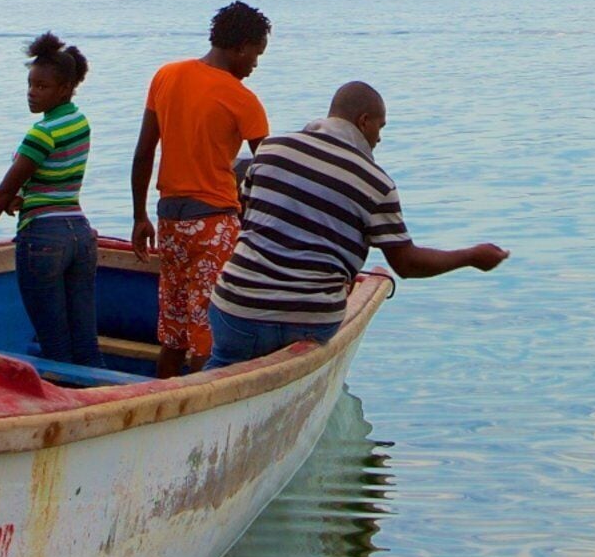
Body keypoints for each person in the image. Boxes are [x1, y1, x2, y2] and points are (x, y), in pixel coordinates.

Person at [210, 81, 507, 367]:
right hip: (308, 320)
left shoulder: (271, 149)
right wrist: (470, 257)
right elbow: (407, 263)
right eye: (380, 127)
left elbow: (246, 218)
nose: (379, 138)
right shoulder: (376, 183)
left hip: (238, 308)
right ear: (364, 121)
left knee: (223, 362)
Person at [0, 33, 98, 366]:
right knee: (85, 341)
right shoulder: (79, 122)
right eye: (30, 85)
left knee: (54, 344)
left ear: (65, 88)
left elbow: (2, 193)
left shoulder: (41, 133)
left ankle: (66, 408)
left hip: (43, 239)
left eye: (42, 87)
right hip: (80, 235)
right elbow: (59, 174)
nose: (32, 93)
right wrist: (28, 195)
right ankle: (101, 402)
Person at [128, 0, 270, 376]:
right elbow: (270, 170)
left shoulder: (166, 76)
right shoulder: (244, 100)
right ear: (240, 47)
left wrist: (140, 215)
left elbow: (144, 153)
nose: (255, 65)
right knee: (209, 333)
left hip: (169, 222)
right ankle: (206, 408)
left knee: (173, 331)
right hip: (213, 224)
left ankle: (157, 406)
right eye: (256, 54)